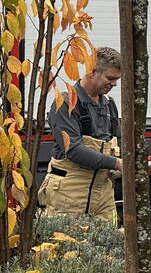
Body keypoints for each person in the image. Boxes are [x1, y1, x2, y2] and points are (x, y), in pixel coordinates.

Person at [38, 47, 123, 222]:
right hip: (68, 196)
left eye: (117, 79)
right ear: (92, 72)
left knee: (106, 247)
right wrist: (117, 163)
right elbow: (74, 150)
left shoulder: (109, 105)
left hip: (103, 198)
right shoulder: (65, 103)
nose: (114, 84)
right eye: (110, 78)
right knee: (67, 247)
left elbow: (119, 143)